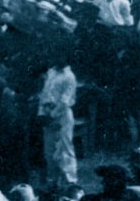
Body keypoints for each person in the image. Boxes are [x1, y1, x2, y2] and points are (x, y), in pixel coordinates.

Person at [38, 49, 79, 192]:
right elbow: (44, 93)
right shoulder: (51, 72)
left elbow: (65, 100)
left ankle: (70, 181)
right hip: (47, 112)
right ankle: (52, 180)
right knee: (49, 150)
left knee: (64, 148)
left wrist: (53, 115)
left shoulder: (69, 77)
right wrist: (43, 113)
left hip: (62, 115)